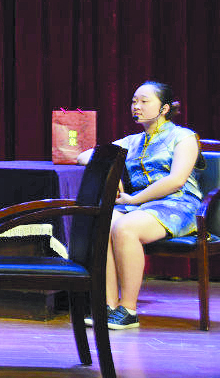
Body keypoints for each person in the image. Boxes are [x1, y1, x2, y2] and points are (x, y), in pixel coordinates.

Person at [77, 81, 203, 330]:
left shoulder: (184, 137)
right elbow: (85, 156)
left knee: (125, 228)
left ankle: (128, 309)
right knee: (104, 222)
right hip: (141, 206)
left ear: (164, 108)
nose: (137, 106)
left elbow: (176, 180)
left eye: (144, 101)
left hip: (178, 204)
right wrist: (111, 171)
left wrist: (135, 198)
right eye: (134, 101)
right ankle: (108, 306)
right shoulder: (132, 141)